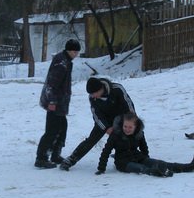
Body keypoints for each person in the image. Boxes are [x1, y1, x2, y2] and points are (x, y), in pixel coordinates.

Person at [60, 75, 135, 171]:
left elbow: (128, 104)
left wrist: (131, 121)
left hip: (122, 118)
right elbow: (97, 115)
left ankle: (131, 155)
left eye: (93, 93)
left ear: (100, 89)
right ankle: (71, 159)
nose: (92, 96)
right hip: (104, 120)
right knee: (91, 140)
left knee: (130, 134)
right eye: (90, 94)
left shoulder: (117, 89)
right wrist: (106, 128)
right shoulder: (92, 97)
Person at [95, 112, 194, 177]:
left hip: (138, 157)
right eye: (125, 126)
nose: (127, 129)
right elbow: (106, 151)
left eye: (130, 127)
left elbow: (144, 147)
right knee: (141, 168)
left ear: (136, 127)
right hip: (123, 163)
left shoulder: (139, 134)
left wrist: (147, 159)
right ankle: (159, 172)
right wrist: (101, 168)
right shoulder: (116, 135)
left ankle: (191, 166)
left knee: (161, 163)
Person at [35, 38, 81, 169]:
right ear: (69, 51)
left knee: (62, 127)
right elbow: (52, 84)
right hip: (55, 102)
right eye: (75, 52)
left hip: (60, 102)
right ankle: (41, 158)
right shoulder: (61, 64)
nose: (76, 55)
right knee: (52, 130)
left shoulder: (66, 61)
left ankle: (55, 154)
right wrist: (52, 101)